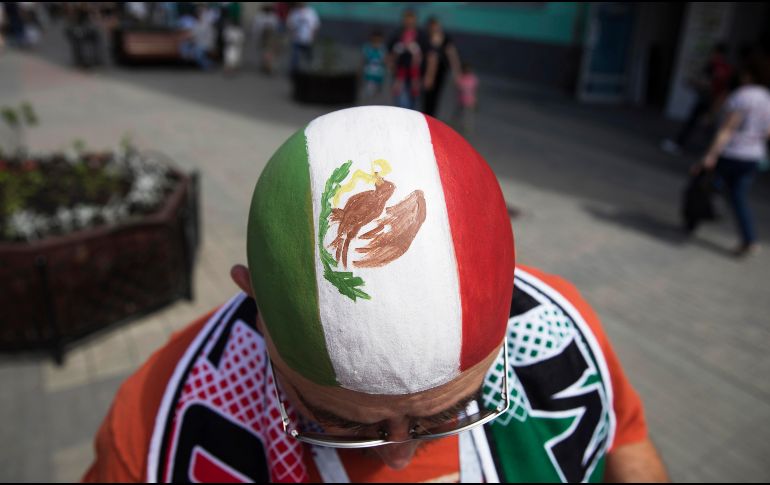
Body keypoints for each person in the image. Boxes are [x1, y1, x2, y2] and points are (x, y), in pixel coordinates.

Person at [82, 106, 668, 483]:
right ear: (253, 300)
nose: (396, 456)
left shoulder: (563, 336)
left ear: (505, 295)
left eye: (446, 414)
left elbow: (626, 443)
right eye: (338, 422)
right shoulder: (160, 427)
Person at [691, 61, 770, 256]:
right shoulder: (767, 98)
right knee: (738, 197)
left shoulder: (741, 97)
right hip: (753, 156)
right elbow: (767, 132)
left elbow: (727, 129)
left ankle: (693, 220)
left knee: (706, 185)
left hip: (732, 153)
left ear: (748, 75)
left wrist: (710, 155)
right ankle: (749, 239)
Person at [662, 43, 733, 155]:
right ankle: (715, 149)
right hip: (717, 100)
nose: (711, 55)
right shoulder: (726, 67)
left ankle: (680, 144)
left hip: (707, 98)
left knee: (695, 122)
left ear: (717, 52)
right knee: (710, 125)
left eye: (713, 52)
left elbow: (707, 82)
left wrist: (693, 83)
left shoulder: (713, 65)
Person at [421, 17, 460, 117]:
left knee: (435, 95)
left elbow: (452, 54)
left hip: (440, 72)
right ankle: (426, 115)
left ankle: (431, 116)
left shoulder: (445, 38)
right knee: (427, 96)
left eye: (436, 26)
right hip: (427, 71)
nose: (435, 28)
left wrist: (456, 72)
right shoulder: (426, 38)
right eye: (432, 26)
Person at [387, 9, 422, 109]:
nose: (409, 23)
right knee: (402, 104)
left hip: (415, 76)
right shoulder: (396, 35)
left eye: (411, 21)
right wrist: (393, 61)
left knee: (413, 104)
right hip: (400, 74)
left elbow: (427, 55)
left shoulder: (421, 35)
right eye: (407, 20)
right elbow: (389, 55)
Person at [286, 2, 320, 73]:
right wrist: (292, 33)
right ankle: (294, 71)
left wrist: (313, 35)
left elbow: (316, 25)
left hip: (307, 38)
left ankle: (309, 70)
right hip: (297, 38)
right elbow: (289, 24)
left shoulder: (311, 12)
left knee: (308, 56)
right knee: (295, 56)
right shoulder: (294, 12)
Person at [251, 4, 280, 75]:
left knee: (268, 52)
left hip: (269, 36)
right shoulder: (261, 16)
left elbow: (275, 27)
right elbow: (256, 27)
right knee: (265, 52)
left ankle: (267, 66)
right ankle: (265, 65)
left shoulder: (272, 16)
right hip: (263, 36)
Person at [361, 30, 387, 100]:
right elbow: (363, 60)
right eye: (375, 40)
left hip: (379, 76)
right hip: (369, 76)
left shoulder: (383, 49)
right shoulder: (367, 48)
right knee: (369, 93)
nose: (376, 42)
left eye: (379, 40)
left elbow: (385, 61)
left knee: (378, 95)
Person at [454, 62, 478, 135]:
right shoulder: (461, 78)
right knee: (460, 114)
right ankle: (458, 125)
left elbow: (475, 91)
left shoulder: (472, 79)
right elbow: (458, 86)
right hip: (462, 100)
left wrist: (476, 100)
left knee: (468, 116)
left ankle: (467, 127)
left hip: (469, 101)